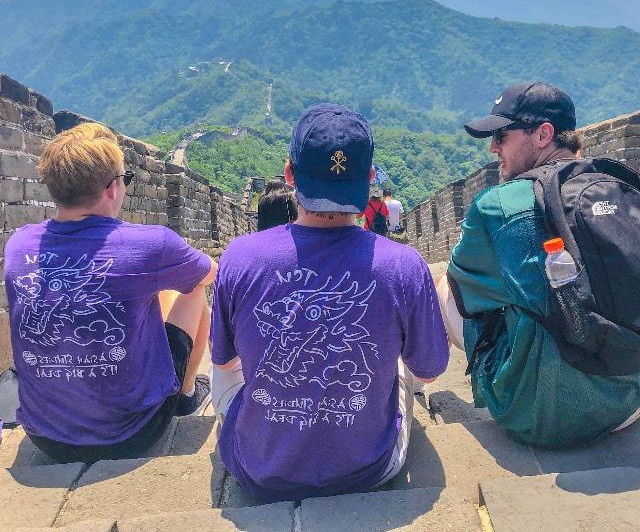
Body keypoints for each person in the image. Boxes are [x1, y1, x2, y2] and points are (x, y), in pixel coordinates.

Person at [210, 104, 449, 502]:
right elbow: (430, 370)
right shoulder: (404, 266)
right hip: (369, 470)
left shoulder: (239, 257)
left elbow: (223, 361)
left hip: (260, 472)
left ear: (289, 174)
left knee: (227, 364)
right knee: (402, 370)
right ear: (370, 179)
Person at [438, 82, 640, 447]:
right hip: (629, 403)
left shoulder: (496, 205)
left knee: (444, 286)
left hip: (542, 417)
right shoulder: (618, 187)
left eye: (501, 135)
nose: (492, 147)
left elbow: (463, 292)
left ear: (544, 134)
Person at [4, 122, 217, 463]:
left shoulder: (18, 245)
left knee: (155, 288)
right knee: (191, 287)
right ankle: (186, 392)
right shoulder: (151, 244)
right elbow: (209, 271)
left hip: (45, 435)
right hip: (131, 432)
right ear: (111, 188)